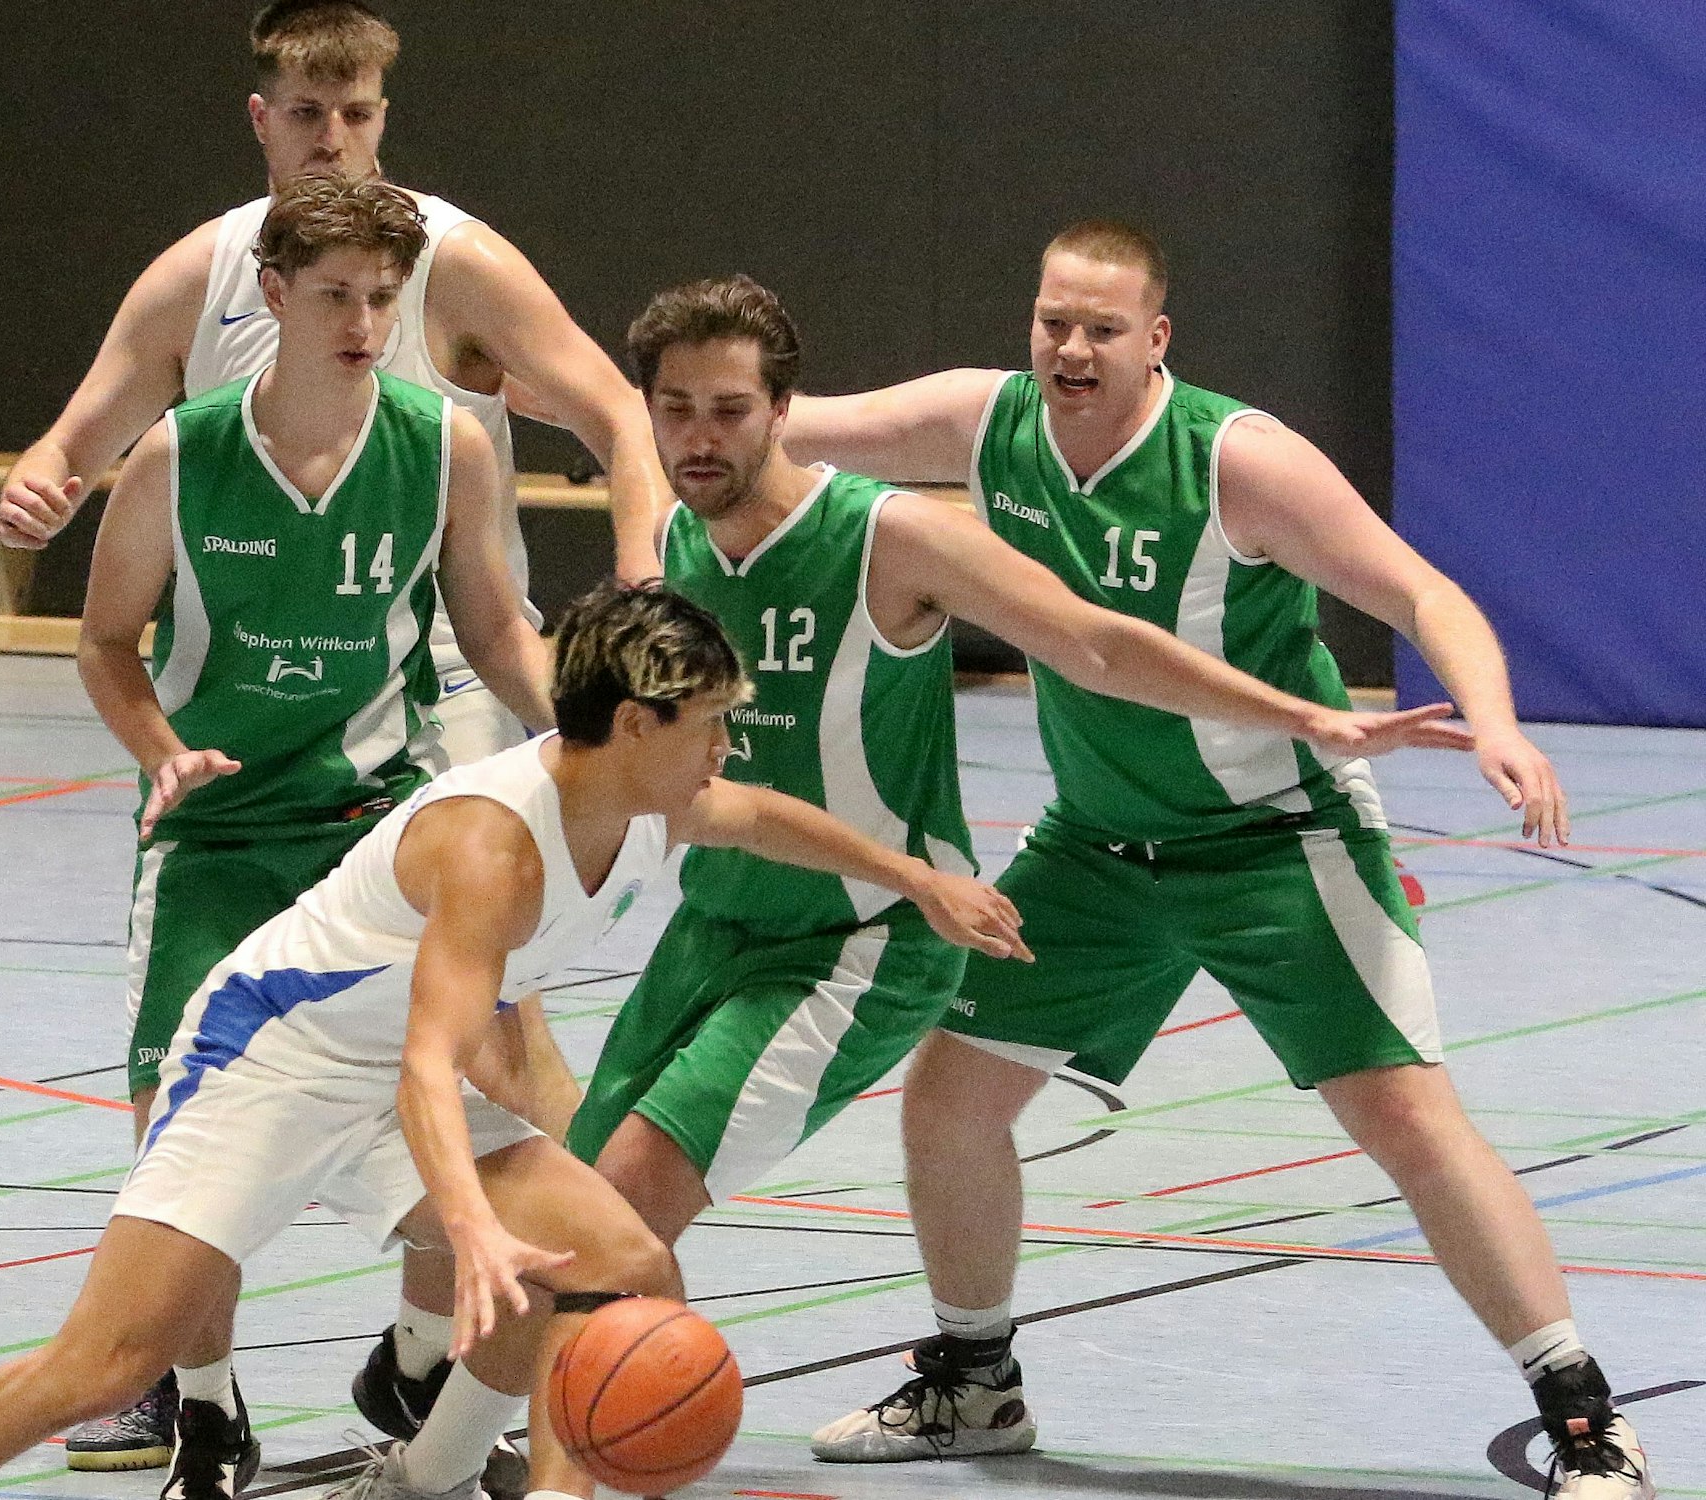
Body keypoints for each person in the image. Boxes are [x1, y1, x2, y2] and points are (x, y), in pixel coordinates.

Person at [361, 274, 1472, 1483]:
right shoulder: (669, 554)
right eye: (673, 409)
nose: (698, 435)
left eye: (729, 409)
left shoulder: (889, 536)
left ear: (784, 409)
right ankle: (441, 1446)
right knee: (562, 1209)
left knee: (620, 1213)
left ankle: (511, 1468)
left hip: (863, 940)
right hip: (718, 926)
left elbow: (1098, 642)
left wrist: (1309, 714)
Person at [782, 221, 1647, 1496]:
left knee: (1407, 1119)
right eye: (1051, 321)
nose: (1069, 348)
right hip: (1091, 849)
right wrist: (568, 390)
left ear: (1155, 340)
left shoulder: (1236, 461)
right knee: (949, 1094)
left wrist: (1498, 724)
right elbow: (779, 423)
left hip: (1271, 844)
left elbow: (1422, 595)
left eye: (1100, 328)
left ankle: (1580, 1416)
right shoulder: (982, 422)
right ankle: (975, 1381)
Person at [0, 581, 1031, 1500]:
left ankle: (425, 1479)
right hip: (273, 1062)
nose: (728, 746)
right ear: (633, 721)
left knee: (616, 1265)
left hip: (381, 1069)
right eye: (714, 723)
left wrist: (914, 878)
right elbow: (430, 1060)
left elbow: (757, 819)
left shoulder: (637, 797)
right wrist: (467, 1223)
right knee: (105, 1364)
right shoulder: (491, 846)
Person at [5, 1, 655, 1469]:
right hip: (242, 719)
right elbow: (86, 437)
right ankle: (188, 1370)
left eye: (355, 113)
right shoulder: (205, 283)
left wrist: (628, 636)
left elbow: (615, 413)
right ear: (263, 118)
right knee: (206, 1078)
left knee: (484, 1046)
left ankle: (450, 1353)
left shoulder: (455, 272)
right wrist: (44, 482)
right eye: (308, 113)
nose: (333, 136)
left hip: (424, 702)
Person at [77, 169, 553, 1487]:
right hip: (216, 834)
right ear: (274, 296)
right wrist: (159, 747)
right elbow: (107, 641)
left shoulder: (441, 445)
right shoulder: (181, 456)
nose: (361, 320)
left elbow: (500, 630)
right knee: (176, 1129)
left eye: (382, 299)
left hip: (372, 827)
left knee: (464, 1089)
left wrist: (589, 735)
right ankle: (210, 1408)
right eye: (335, 294)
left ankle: (421, 1369)